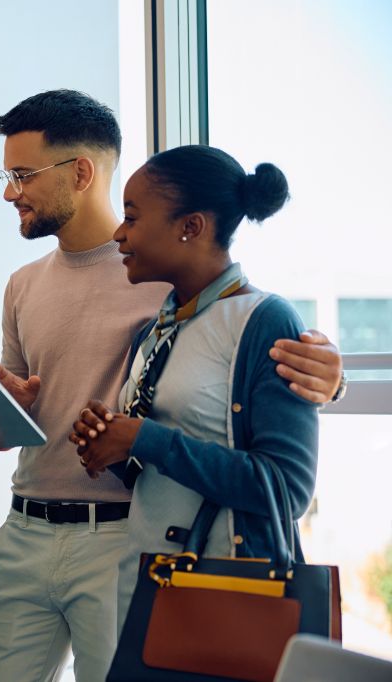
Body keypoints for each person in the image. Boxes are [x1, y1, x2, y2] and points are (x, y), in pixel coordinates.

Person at [0, 90, 344, 682]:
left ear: (80, 172)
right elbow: (40, 416)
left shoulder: (168, 281)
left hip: (124, 538)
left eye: (22, 174)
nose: (9, 192)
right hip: (26, 530)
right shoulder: (27, 286)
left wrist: (334, 378)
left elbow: (257, 350)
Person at [69, 145, 319, 635]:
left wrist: (143, 438)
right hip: (145, 585)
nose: (119, 234)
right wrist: (111, 444)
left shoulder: (265, 320)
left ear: (192, 226)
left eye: (133, 217)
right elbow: (157, 471)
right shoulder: (157, 329)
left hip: (225, 591)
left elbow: (286, 490)